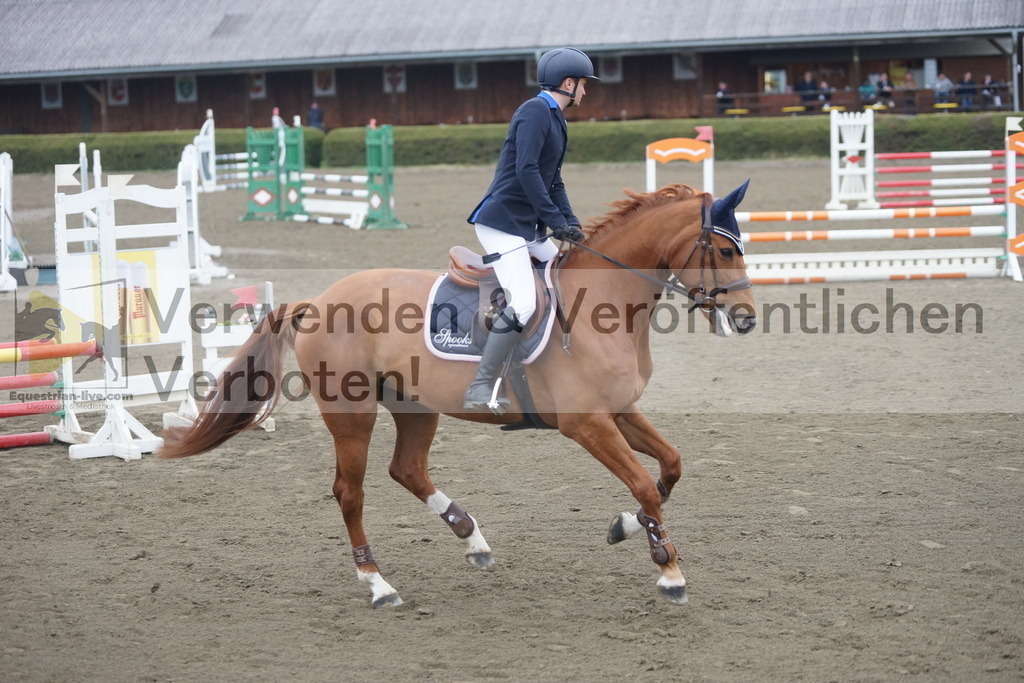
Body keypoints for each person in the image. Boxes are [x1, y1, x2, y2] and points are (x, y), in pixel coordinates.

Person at [462, 47, 597, 413]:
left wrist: (571, 225)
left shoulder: (558, 120)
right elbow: (527, 171)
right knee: (523, 301)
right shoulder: (534, 111)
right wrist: (554, 222)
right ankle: (481, 386)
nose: (585, 91)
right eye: (583, 84)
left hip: (529, 227)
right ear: (568, 83)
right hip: (502, 224)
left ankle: (552, 360)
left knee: (567, 277)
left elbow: (554, 180)